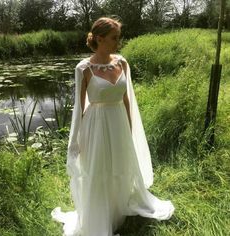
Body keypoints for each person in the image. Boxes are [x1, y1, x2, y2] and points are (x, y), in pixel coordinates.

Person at [51, 17, 175, 236]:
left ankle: (118, 208)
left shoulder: (121, 63)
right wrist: (75, 141)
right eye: (114, 38)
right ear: (99, 39)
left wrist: (129, 126)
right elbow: (79, 109)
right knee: (98, 169)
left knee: (120, 166)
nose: (118, 42)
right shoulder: (84, 68)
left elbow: (126, 99)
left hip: (118, 121)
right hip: (95, 125)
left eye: (119, 37)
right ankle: (100, 214)